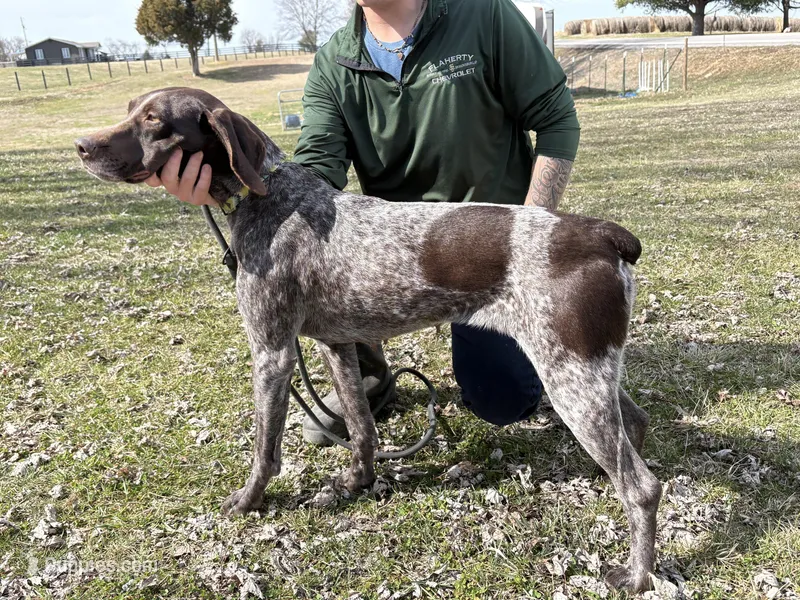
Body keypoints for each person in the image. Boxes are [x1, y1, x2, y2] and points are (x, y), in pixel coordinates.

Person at [145, 0, 580, 445]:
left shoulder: (484, 15)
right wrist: (228, 182)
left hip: (490, 250)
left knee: (501, 400)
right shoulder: (335, 61)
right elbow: (315, 173)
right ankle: (372, 369)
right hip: (396, 257)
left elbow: (557, 120)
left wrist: (531, 243)